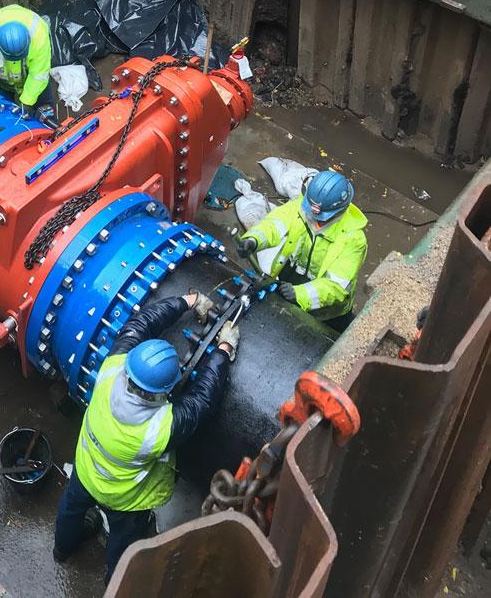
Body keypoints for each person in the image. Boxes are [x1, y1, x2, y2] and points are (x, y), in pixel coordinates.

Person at [53, 291, 239, 584]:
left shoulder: (111, 369)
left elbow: (139, 325)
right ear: (163, 391)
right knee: (123, 543)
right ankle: (114, 583)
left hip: (85, 473)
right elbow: (203, 399)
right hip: (124, 501)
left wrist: (187, 300)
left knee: (70, 510)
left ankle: (62, 549)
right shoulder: (159, 430)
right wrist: (224, 348)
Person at [237, 170, 367, 331]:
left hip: (328, 311)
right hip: (291, 279)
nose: (312, 217)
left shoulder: (354, 239)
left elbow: (336, 287)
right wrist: (254, 239)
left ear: (338, 211)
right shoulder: (303, 208)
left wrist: (300, 295)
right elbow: (276, 223)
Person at [0, 4, 53, 112]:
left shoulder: (39, 34)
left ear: (29, 41)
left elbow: (39, 74)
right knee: (3, 108)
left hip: (29, 75)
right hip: (3, 80)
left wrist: (26, 102)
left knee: (44, 103)